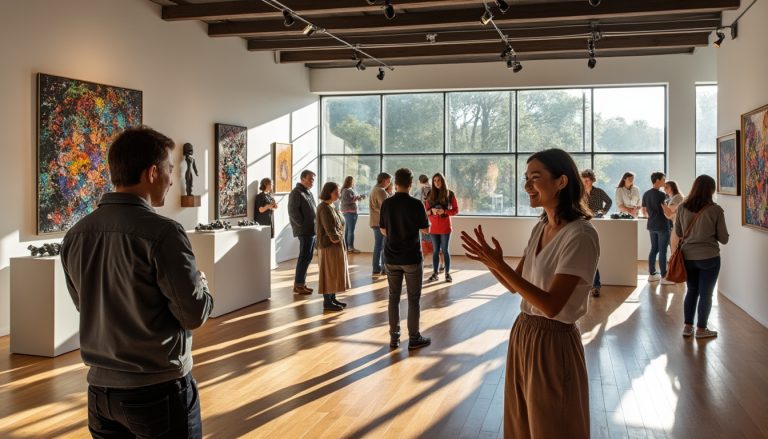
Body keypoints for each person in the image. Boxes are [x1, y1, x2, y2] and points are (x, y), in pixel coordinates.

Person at [60, 126, 213, 438]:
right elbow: (193, 314)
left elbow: (85, 305)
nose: (172, 178)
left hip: (100, 393)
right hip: (157, 391)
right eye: (170, 169)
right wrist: (203, 285)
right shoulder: (164, 233)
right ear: (153, 173)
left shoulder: (76, 235)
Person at [461, 148, 598, 439]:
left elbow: (551, 306)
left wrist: (500, 265)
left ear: (561, 181)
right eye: (526, 178)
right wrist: (492, 264)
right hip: (524, 332)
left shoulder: (580, 235)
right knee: (522, 423)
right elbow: (514, 285)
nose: (527, 186)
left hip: (554, 341)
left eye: (535, 178)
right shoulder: (540, 227)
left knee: (552, 426)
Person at [380, 168, 432, 350]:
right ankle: (414, 338)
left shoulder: (387, 204)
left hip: (391, 257)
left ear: (395, 183)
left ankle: (394, 338)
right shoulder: (416, 204)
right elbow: (426, 230)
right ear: (410, 184)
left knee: (393, 297)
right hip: (411, 258)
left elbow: (383, 230)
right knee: (413, 299)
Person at [675, 175, 729, 339]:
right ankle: (701, 329)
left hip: (688, 257)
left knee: (692, 291)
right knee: (706, 294)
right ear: (711, 190)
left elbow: (678, 232)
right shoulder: (715, 210)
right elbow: (724, 239)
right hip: (709, 258)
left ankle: (687, 327)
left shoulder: (682, 207)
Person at [316, 182, 351, 312]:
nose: (338, 194)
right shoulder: (324, 208)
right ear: (328, 192)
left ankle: (332, 297)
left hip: (336, 245)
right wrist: (338, 238)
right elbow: (330, 230)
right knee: (329, 273)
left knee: (334, 272)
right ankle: (327, 301)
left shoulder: (331, 206)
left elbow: (340, 225)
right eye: (336, 192)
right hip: (329, 246)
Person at [581, 169, 611, 297]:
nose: (585, 183)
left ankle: (595, 285)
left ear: (592, 180)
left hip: (598, 222)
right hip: (583, 223)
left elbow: (609, 201)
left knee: (593, 255)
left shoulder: (599, 191)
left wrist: (603, 212)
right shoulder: (579, 193)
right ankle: (589, 285)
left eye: (587, 180)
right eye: (583, 181)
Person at [425, 173, 459, 283]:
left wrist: (444, 211)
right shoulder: (430, 194)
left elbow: (455, 210)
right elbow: (426, 211)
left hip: (445, 227)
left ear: (442, 181)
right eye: (434, 180)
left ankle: (447, 274)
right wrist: (432, 211)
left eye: (438, 180)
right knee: (435, 251)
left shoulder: (450, 194)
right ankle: (435, 274)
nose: (436, 182)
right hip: (433, 227)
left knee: (445, 250)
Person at [288, 170, 317, 294]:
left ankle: (301, 284)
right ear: (303, 179)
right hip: (305, 230)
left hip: (311, 230)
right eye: (310, 179)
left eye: (313, 179)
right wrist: (303, 225)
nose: (312, 181)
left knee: (307, 257)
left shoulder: (308, 193)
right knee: (304, 257)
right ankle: (298, 285)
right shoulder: (296, 193)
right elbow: (293, 212)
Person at [642, 171, 673, 284]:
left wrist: (652, 216)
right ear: (658, 180)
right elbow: (668, 213)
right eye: (663, 180)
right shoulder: (661, 195)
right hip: (662, 226)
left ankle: (652, 274)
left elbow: (644, 212)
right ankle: (664, 277)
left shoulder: (646, 194)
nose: (664, 182)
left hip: (651, 225)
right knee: (663, 251)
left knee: (654, 249)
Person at [369, 172, 392, 277]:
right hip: (380, 223)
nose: (389, 183)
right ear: (383, 180)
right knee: (383, 246)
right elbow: (386, 207)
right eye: (388, 180)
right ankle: (383, 268)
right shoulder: (381, 191)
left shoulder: (374, 189)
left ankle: (376, 268)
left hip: (375, 222)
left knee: (378, 246)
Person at [339, 176, 364, 254]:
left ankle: (347, 247)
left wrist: (356, 198)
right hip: (350, 212)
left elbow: (348, 200)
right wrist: (357, 198)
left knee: (348, 230)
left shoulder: (345, 190)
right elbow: (347, 201)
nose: (354, 183)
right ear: (350, 182)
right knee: (351, 231)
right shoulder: (347, 190)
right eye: (353, 181)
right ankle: (350, 247)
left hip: (348, 212)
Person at [662, 180, 685, 254]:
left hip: (677, 226)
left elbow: (669, 214)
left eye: (666, 187)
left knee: (675, 251)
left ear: (671, 188)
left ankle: (676, 265)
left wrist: (663, 206)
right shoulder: (675, 197)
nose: (664, 189)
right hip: (676, 226)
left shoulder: (677, 198)